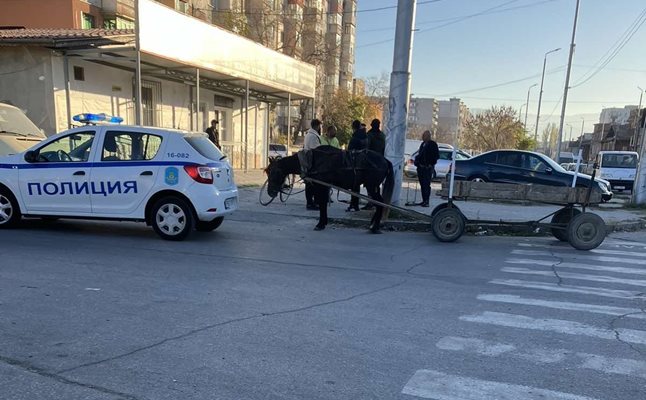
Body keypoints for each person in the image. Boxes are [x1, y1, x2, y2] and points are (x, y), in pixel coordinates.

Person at [346, 120, 368, 211]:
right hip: (364, 162)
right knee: (356, 185)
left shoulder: (355, 137)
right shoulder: (365, 135)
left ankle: (354, 204)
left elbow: (350, 150)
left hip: (354, 163)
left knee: (354, 185)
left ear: (353, 127)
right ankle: (355, 204)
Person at [414, 130, 440, 207]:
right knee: (422, 184)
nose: (422, 137)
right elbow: (420, 154)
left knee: (426, 184)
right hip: (421, 167)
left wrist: (430, 164)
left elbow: (436, 156)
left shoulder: (433, 144)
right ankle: (424, 200)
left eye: (424, 136)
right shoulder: (422, 144)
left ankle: (427, 201)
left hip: (428, 168)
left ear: (428, 136)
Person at [304, 119, 322, 210]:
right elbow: (316, 150)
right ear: (317, 126)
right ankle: (311, 203)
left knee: (309, 184)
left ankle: (310, 202)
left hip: (308, 162)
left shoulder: (308, 134)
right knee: (312, 185)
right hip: (313, 163)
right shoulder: (314, 136)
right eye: (320, 126)